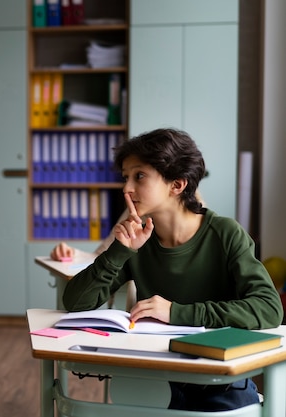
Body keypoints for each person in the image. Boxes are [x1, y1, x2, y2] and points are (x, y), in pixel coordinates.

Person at [62, 128, 283, 412]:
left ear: (177, 184)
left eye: (138, 176)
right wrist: (119, 251)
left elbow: (268, 308)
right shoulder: (137, 241)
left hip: (219, 381)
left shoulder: (226, 234)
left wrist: (175, 312)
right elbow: (76, 302)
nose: (126, 188)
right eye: (125, 177)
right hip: (153, 377)